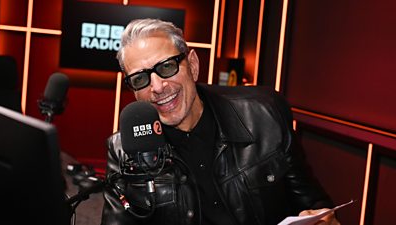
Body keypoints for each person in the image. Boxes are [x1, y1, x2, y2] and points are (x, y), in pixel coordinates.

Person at [101, 18, 340, 225]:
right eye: (140, 78)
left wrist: (322, 218)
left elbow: (314, 204)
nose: (157, 87)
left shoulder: (264, 114)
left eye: (167, 67)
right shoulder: (124, 150)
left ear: (193, 65)